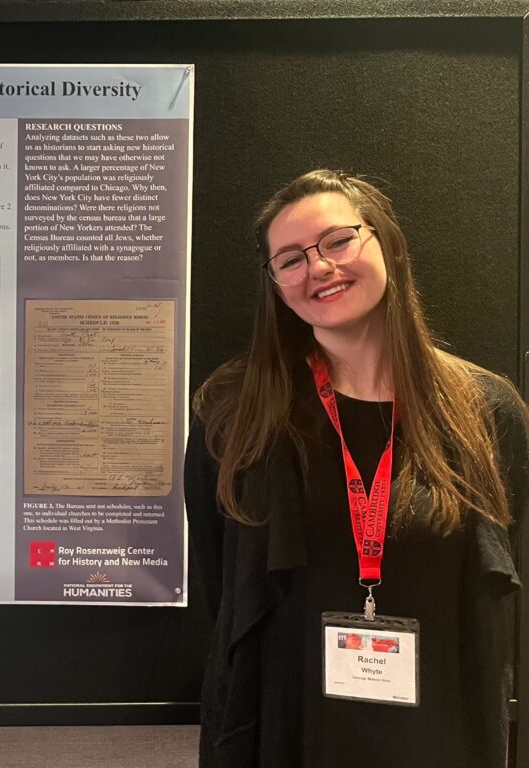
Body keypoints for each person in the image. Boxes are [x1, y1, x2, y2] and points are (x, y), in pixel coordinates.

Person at [185, 169, 529, 768]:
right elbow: (224, 596)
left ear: (387, 242)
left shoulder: (486, 410)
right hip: (288, 728)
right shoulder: (234, 414)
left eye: (338, 241)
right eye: (290, 259)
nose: (318, 267)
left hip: (439, 731)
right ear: (276, 285)